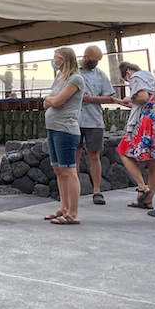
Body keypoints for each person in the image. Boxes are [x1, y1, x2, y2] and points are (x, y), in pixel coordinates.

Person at [43, 47, 86, 225]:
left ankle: (73, 213)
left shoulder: (75, 79)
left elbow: (58, 101)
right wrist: (51, 100)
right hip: (53, 128)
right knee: (59, 170)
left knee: (69, 171)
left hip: (66, 129)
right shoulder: (59, 78)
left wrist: (50, 99)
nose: (55, 61)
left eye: (57, 58)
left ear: (64, 59)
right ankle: (64, 207)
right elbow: (49, 101)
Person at [117, 61, 155, 209]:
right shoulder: (150, 77)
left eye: (126, 80)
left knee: (123, 150)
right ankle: (147, 200)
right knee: (154, 162)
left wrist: (129, 98)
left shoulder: (136, 77)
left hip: (147, 121)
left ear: (128, 73)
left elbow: (143, 97)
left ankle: (141, 186)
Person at [76, 45, 116, 205]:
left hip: (94, 120)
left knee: (94, 155)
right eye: (93, 60)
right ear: (85, 57)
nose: (96, 63)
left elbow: (110, 97)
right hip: (74, 119)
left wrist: (91, 99)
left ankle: (97, 190)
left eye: (98, 61)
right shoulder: (73, 71)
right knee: (75, 155)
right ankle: (74, 189)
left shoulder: (100, 75)